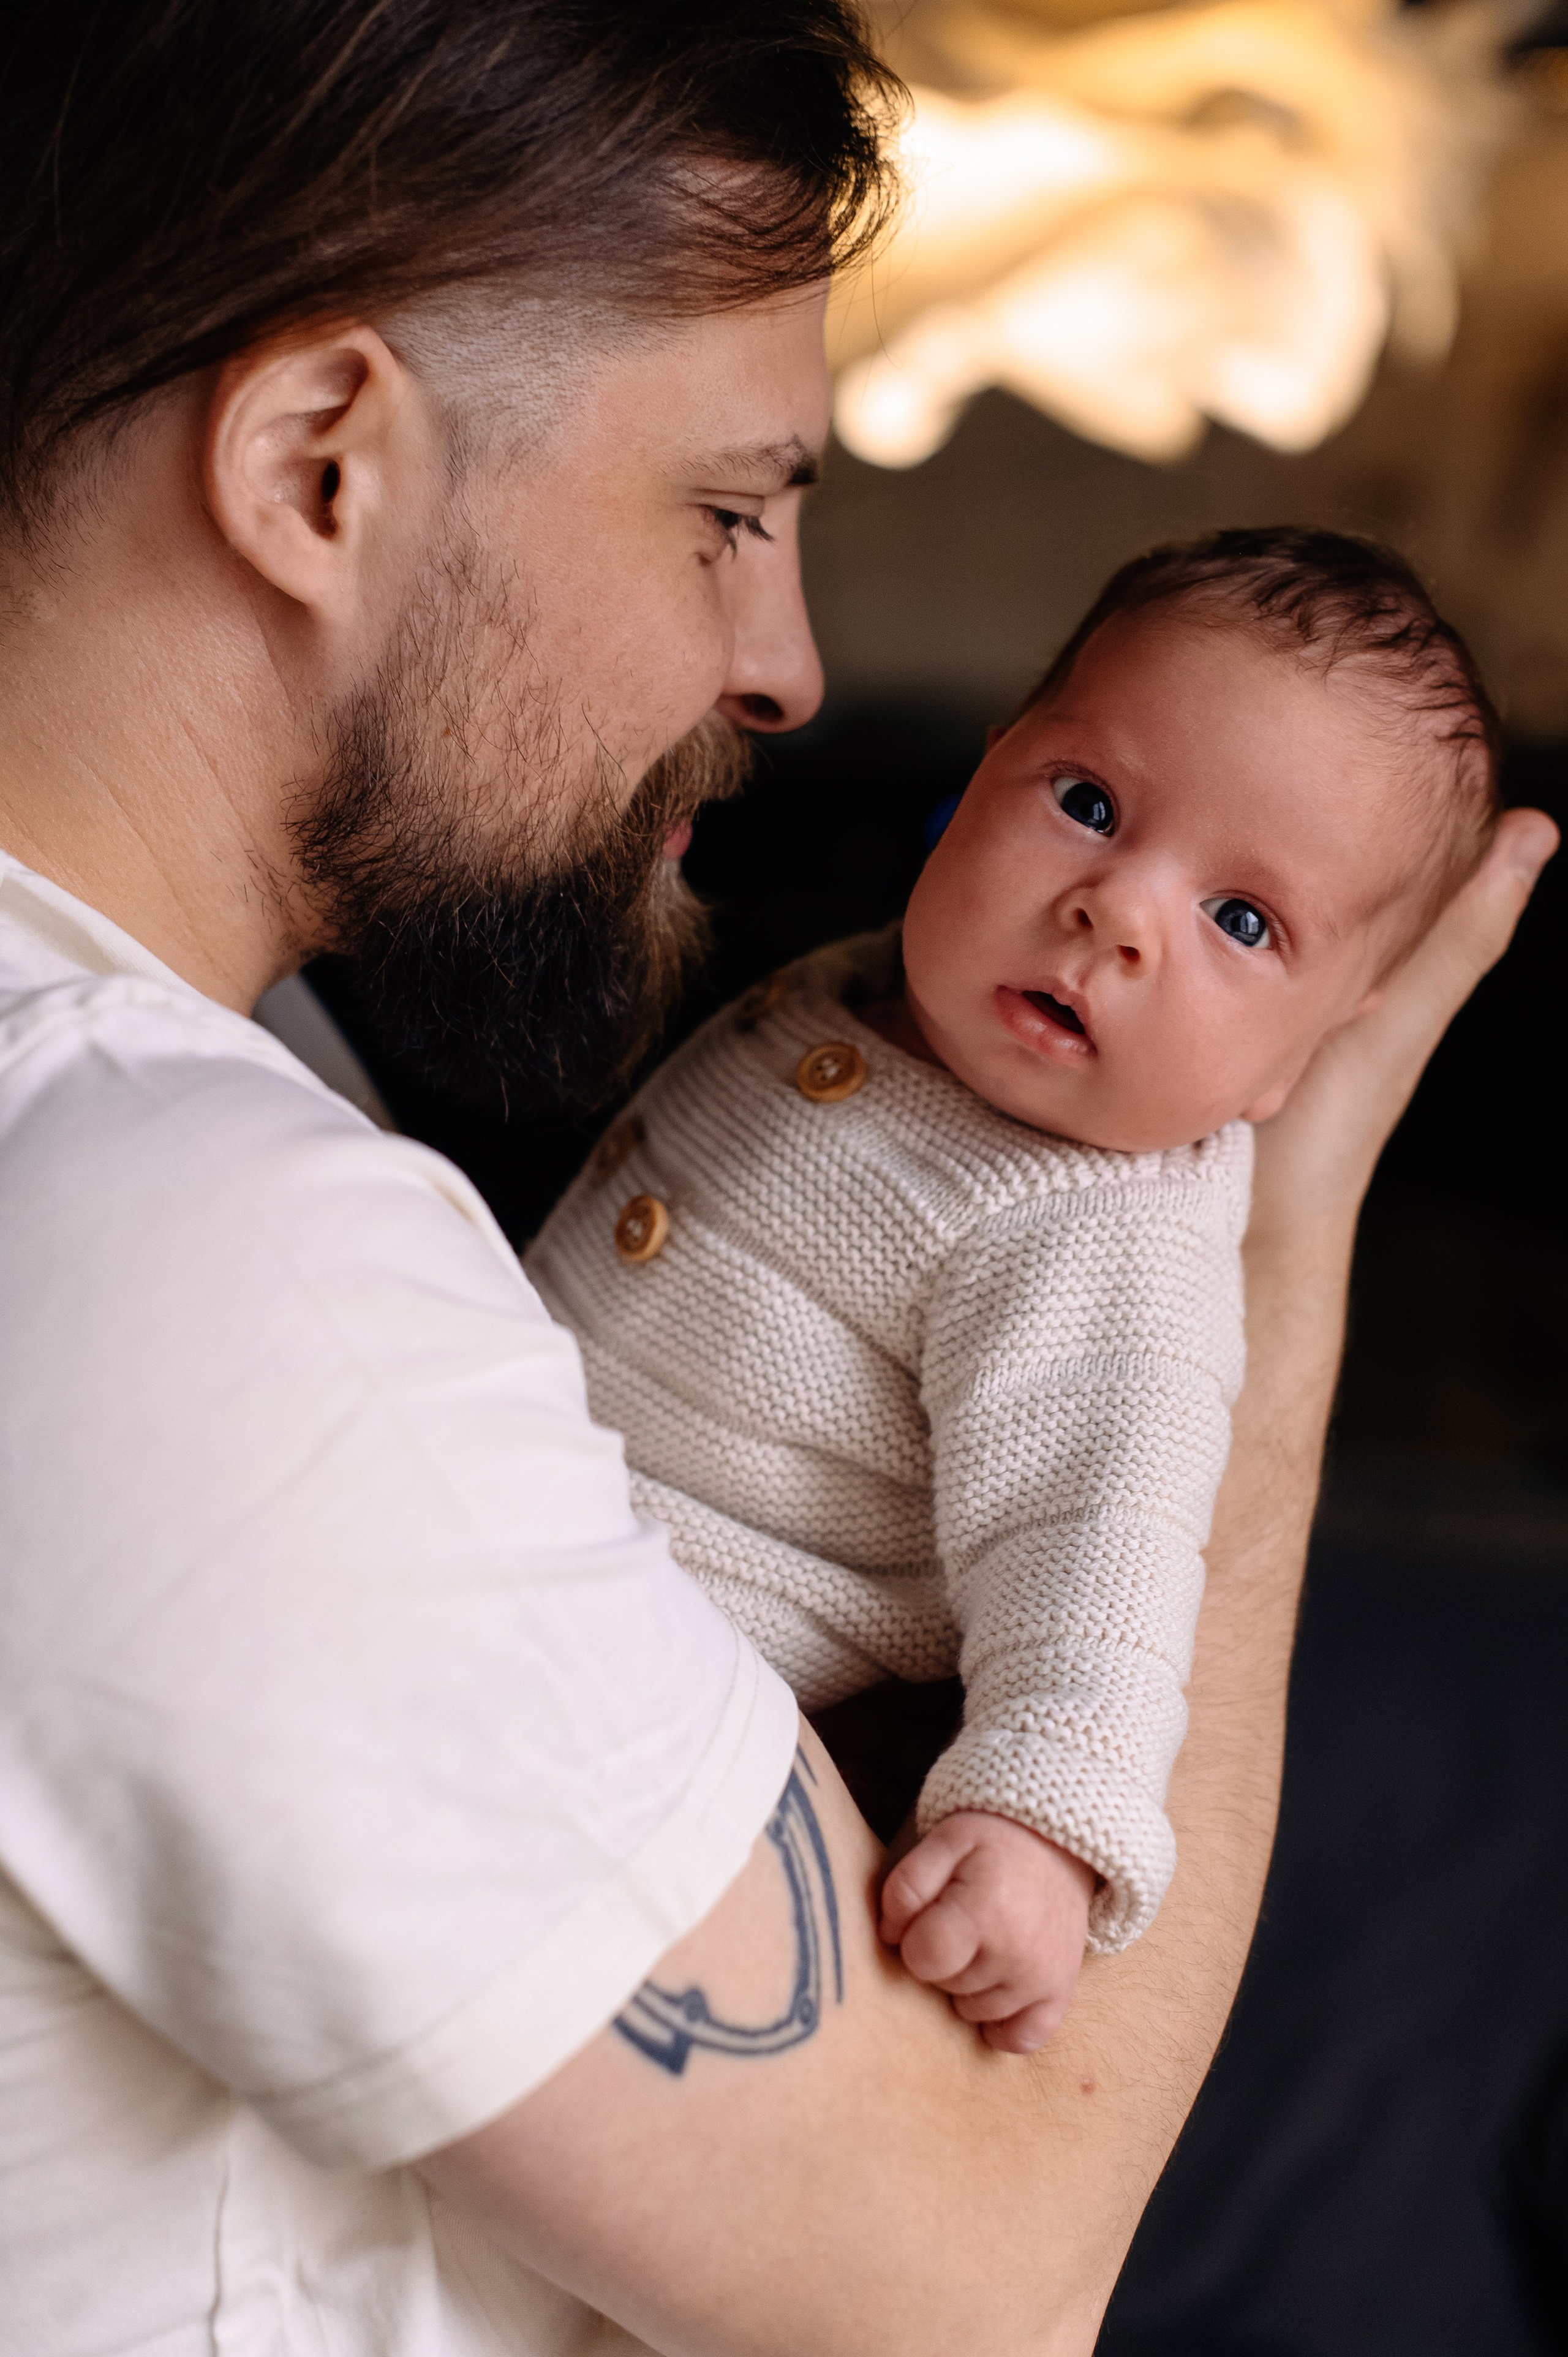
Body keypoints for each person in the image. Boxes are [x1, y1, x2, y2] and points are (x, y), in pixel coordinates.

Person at [0, 6, 1552, 2356]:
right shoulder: (187, 1257)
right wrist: (1286, 1240)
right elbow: (977, 2291)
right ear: (321, 465)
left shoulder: (230, 1084)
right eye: (726, 511)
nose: (788, 662)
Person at [526, 526, 1504, 2056]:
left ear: (1313, 1044)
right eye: (1088, 804)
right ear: (985, 770)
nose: (1116, 909)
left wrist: (1041, 1822)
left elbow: (1099, 1546)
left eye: (1241, 923)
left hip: (675, 1694)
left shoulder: (1101, 1239)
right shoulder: (872, 986)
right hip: (529, 1533)